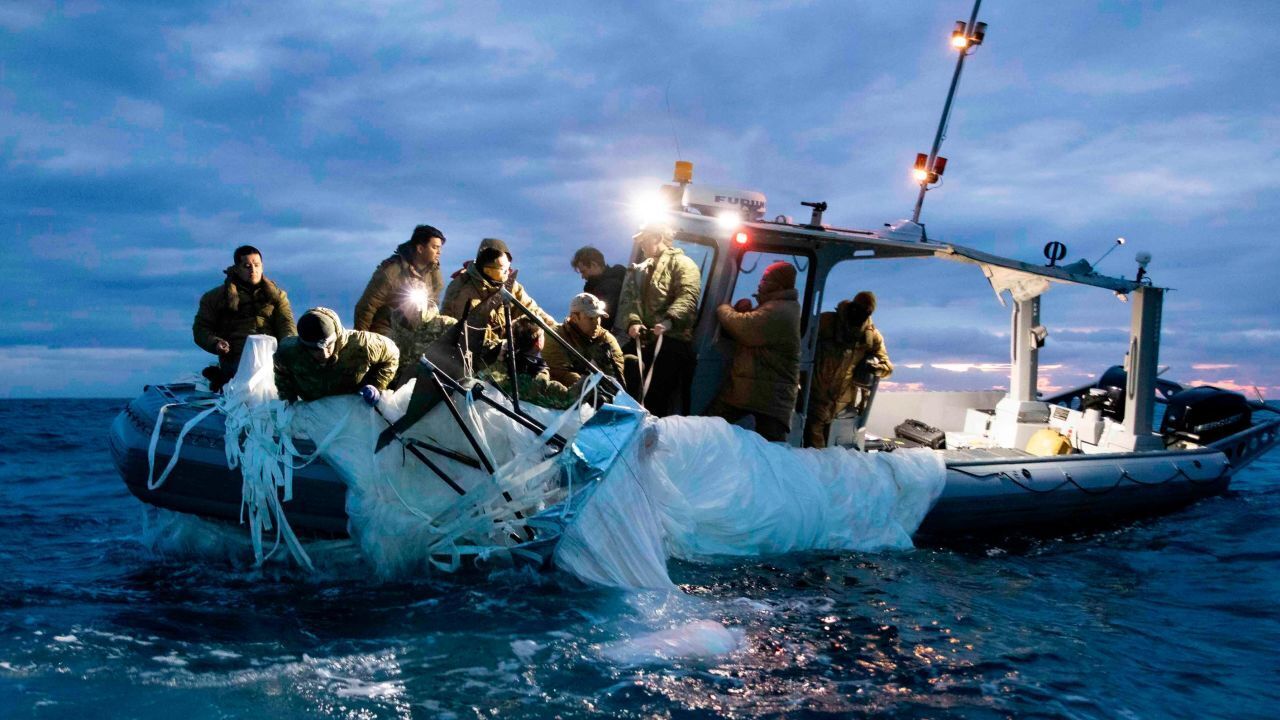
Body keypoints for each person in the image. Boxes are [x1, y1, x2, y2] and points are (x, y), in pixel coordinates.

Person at [706, 261, 802, 442]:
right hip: (760, 394)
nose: (760, 282)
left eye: (766, 279)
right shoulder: (776, 307)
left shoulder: (781, 310)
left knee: (767, 452)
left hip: (766, 398)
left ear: (779, 284)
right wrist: (746, 310)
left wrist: (723, 307)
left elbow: (745, 328)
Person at [616, 225, 701, 416]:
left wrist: (670, 320)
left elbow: (688, 296)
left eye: (644, 239)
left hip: (671, 340)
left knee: (657, 397)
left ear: (657, 237)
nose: (641, 244)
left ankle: (653, 437)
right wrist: (633, 322)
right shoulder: (640, 269)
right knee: (621, 377)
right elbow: (629, 299)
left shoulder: (684, 264)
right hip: (642, 340)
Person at [440, 238, 556, 369]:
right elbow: (472, 334)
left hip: (503, 352)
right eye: (503, 269)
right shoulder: (463, 292)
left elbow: (531, 310)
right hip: (470, 360)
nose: (508, 271)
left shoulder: (509, 285)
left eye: (508, 267)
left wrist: (555, 330)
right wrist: (508, 347)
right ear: (487, 270)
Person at [193, 245, 296, 390]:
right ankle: (223, 378)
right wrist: (215, 343)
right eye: (247, 266)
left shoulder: (277, 296)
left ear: (262, 266)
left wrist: (289, 346)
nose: (253, 270)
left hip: (271, 357)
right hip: (237, 359)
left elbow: (286, 324)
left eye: (256, 265)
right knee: (248, 384)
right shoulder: (215, 298)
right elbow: (201, 329)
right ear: (236, 268)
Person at [804, 291, 894, 448]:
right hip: (813, 394)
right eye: (856, 308)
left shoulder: (871, 337)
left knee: (832, 446)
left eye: (864, 311)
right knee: (813, 441)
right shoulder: (827, 322)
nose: (858, 313)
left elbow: (887, 367)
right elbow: (803, 343)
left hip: (841, 403)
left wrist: (874, 367)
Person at [274, 307, 400, 404]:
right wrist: (289, 400)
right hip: (315, 409)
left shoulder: (362, 345)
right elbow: (281, 372)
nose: (324, 353)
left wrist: (376, 386)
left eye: (329, 346)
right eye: (316, 350)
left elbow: (392, 354)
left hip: (355, 407)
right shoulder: (289, 351)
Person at [354, 225, 446, 337]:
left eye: (440, 248)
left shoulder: (434, 274)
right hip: (386, 330)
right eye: (435, 247)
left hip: (414, 333)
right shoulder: (391, 271)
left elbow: (433, 306)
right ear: (420, 248)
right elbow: (367, 306)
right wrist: (361, 340)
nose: (439, 252)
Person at [481, 317, 581, 410]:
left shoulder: (497, 358)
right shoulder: (535, 381)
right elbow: (570, 399)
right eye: (543, 335)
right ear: (538, 343)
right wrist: (588, 378)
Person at [542, 292, 626, 387]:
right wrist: (589, 388)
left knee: (632, 361)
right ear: (574, 318)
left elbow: (616, 373)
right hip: (570, 394)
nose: (596, 323)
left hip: (602, 391)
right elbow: (560, 371)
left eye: (598, 317)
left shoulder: (606, 338)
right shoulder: (555, 335)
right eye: (590, 318)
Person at [386, 282, 458, 389]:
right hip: (406, 396)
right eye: (404, 300)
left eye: (417, 298)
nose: (412, 305)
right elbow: (389, 369)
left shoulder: (447, 325)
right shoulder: (394, 337)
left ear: (425, 300)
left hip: (443, 389)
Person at [570, 246, 627, 323]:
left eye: (583, 271)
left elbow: (603, 319)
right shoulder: (594, 287)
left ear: (594, 265)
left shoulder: (611, 286)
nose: (582, 276)